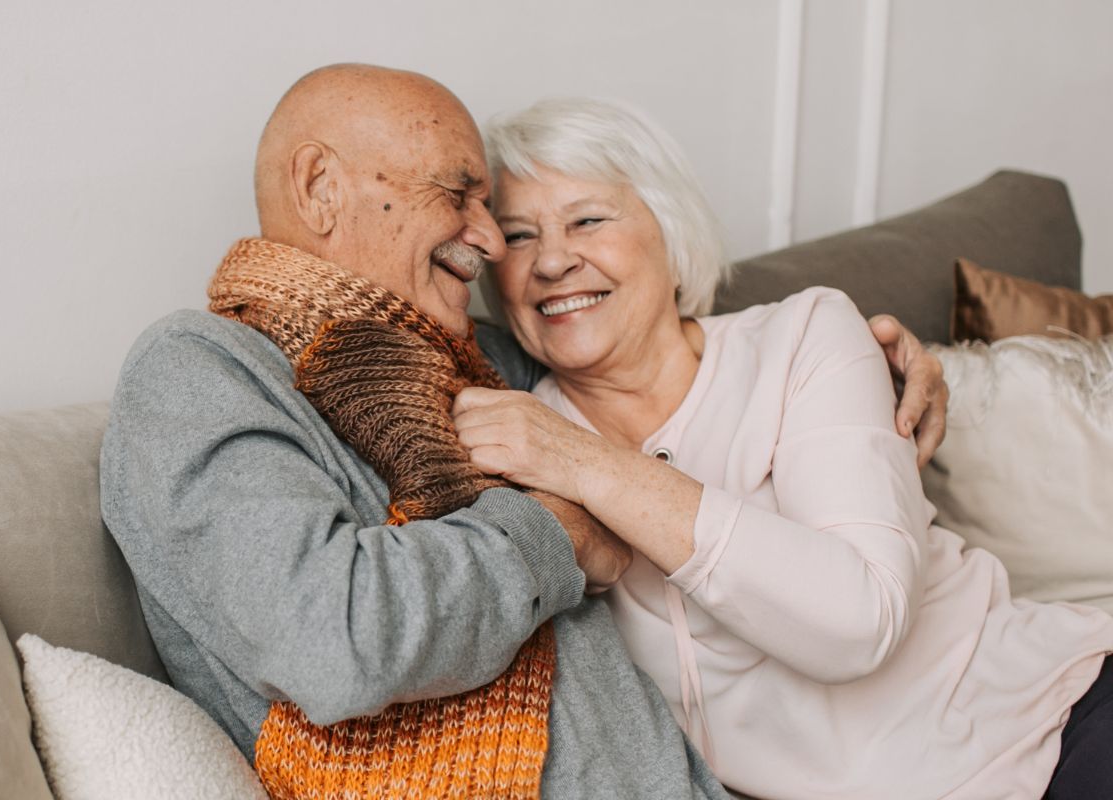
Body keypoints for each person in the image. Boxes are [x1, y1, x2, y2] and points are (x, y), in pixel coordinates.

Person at [100, 65, 941, 799]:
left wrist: (896, 368)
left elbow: (649, 339)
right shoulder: (200, 371)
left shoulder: (481, 355)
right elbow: (331, 637)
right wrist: (561, 533)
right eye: (458, 195)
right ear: (321, 187)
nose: (491, 239)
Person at [452, 95, 1113, 800]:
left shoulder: (806, 338)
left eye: (588, 219)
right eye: (518, 237)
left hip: (1047, 720)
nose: (552, 260)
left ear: (672, 238)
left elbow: (861, 622)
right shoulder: (512, 433)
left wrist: (591, 466)